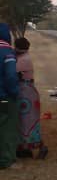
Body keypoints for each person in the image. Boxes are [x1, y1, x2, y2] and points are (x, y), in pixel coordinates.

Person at [14, 36, 48, 159]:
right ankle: (25, 149)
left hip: (26, 93)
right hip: (27, 93)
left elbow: (13, 73)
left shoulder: (23, 60)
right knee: (26, 122)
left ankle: (41, 146)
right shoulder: (24, 57)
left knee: (28, 123)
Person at [0, 23, 19, 169]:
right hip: (4, 97)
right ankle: (6, 160)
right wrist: (14, 93)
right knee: (7, 128)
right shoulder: (7, 51)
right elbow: (11, 76)